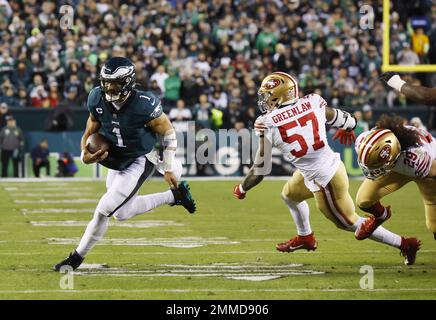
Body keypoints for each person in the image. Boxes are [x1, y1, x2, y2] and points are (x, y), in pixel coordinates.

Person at [233, 72, 420, 265]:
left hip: (324, 180)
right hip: (322, 169)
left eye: (267, 95)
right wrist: (348, 128)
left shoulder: (267, 123)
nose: (264, 99)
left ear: (280, 94)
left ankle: (405, 244)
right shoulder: (313, 102)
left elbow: (261, 169)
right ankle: (305, 237)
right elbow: (346, 119)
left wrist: (242, 188)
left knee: (349, 223)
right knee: (289, 195)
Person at [53, 57, 196, 271]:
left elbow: (168, 131)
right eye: (106, 82)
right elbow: (89, 132)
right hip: (118, 159)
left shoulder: (143, 104)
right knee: (121, 213)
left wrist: (166, 167)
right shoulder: (96, 98)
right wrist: (84, 154)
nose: (109, 87)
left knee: (104, 209)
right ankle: (175, 196)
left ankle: (76, 257)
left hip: (140, 156)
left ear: (128, 82)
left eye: (116, 83)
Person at [354, 115, 436, 246]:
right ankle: (381, 216)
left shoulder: (415, 159)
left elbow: (433, 171)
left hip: (427, 172)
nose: (370, 170)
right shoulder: (364, 140)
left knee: (433, 225)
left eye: (374, 165)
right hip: (396, 165)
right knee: (363, 200)